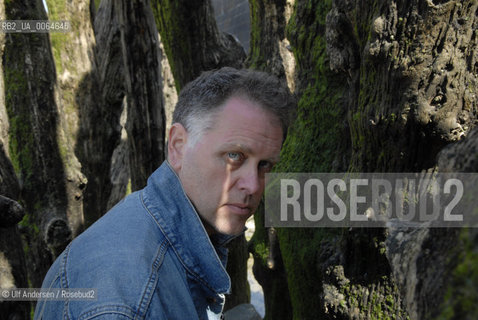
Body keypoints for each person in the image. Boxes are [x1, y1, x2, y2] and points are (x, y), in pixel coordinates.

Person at [34, 67, 295, 319]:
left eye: (265, 165)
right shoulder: (126, 300)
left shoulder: (154, 231)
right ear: (178, 146)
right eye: (234, 156)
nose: (253, 185)